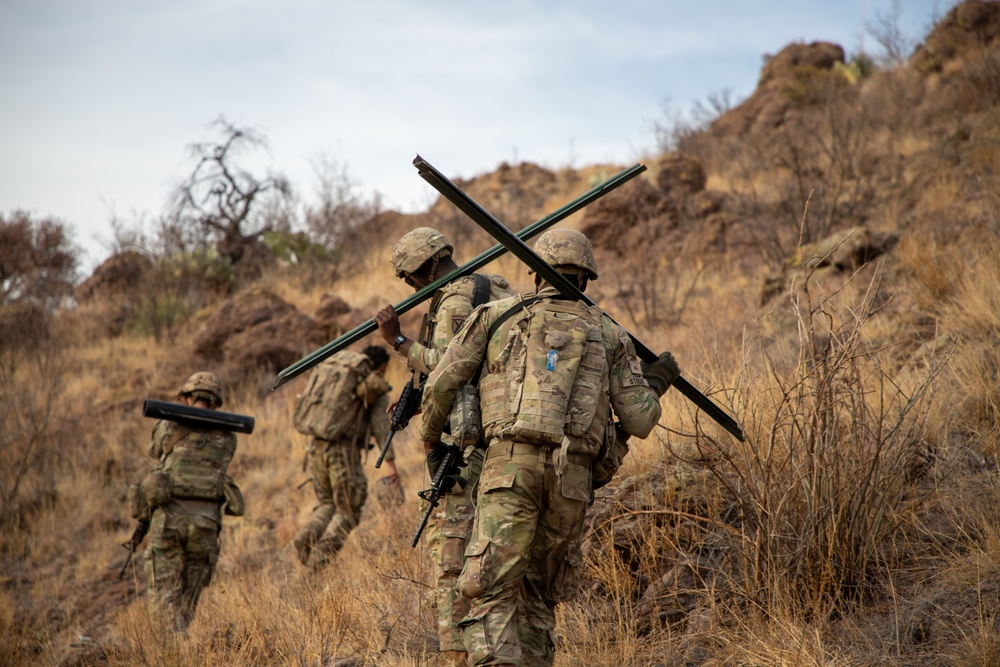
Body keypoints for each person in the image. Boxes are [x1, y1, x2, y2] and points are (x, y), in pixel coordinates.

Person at [417, 228, 680, 667]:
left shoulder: (496, 316)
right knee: (540, 597)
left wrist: (432, 445)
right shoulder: (610, 333)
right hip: (571, 482)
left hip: (508, 472)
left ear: (535, 274)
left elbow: (442, 384)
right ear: (588, 280)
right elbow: (640, 418)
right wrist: (658, 379)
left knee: (490, 592)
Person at [374, 227, 514, 667]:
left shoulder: (454, 301)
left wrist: (398, 342)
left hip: (466, 446)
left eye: (410, 278)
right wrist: (414, 398)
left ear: (426, 267)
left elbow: (449, 367)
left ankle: (459, 654)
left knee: (452, 561)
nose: (411, 287)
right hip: (500, 432)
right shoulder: (492, 284)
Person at [144, 371, 244, 631]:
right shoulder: (227, 437)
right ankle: (181, 641)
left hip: (168, 522)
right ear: (217, 403)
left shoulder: (168, 426)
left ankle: (171, 650)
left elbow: (154, 451)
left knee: (164, 595)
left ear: (186, 398)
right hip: (205, 525)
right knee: (188, 600)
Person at [293, 345, 392, 568]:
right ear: (382, 367)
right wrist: (391, 464)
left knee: (327, 503)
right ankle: (319, 559)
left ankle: (307, 536)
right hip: (343, 452)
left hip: (317, 448)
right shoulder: (374, 385)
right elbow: (380, 427)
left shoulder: (339, 372)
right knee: (349, 509)